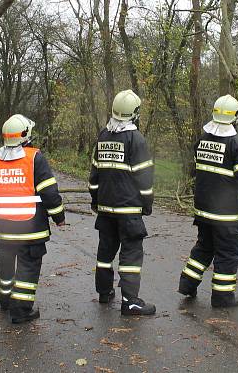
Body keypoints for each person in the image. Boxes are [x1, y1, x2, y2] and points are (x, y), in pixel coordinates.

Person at [0, 114, 65, 324]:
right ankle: (21, 310)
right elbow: (49, 192)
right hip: (31, 228)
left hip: (4, 228)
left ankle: (5, 299)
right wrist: (58, 216)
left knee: (6, 261)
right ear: (26, 135)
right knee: (29, 264)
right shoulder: (34, 158)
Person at [178, 95, 238, 308]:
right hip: (226, 214)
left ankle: (187, 284)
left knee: (204, 247)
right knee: (227, 253)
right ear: (236, 116)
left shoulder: (203, 139)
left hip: (203, 210)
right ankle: (223, 297)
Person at [89, 90, 156, 316]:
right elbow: (144, 178)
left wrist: (96, 201)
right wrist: (147, 203)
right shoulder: (136, 139)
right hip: (128, 210)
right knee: (131, 254)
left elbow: (94, 174)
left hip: (106, 208)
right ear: (135, 113)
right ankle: (130, 301)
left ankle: (104, 292)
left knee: (105, 252)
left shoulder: (103, 136)